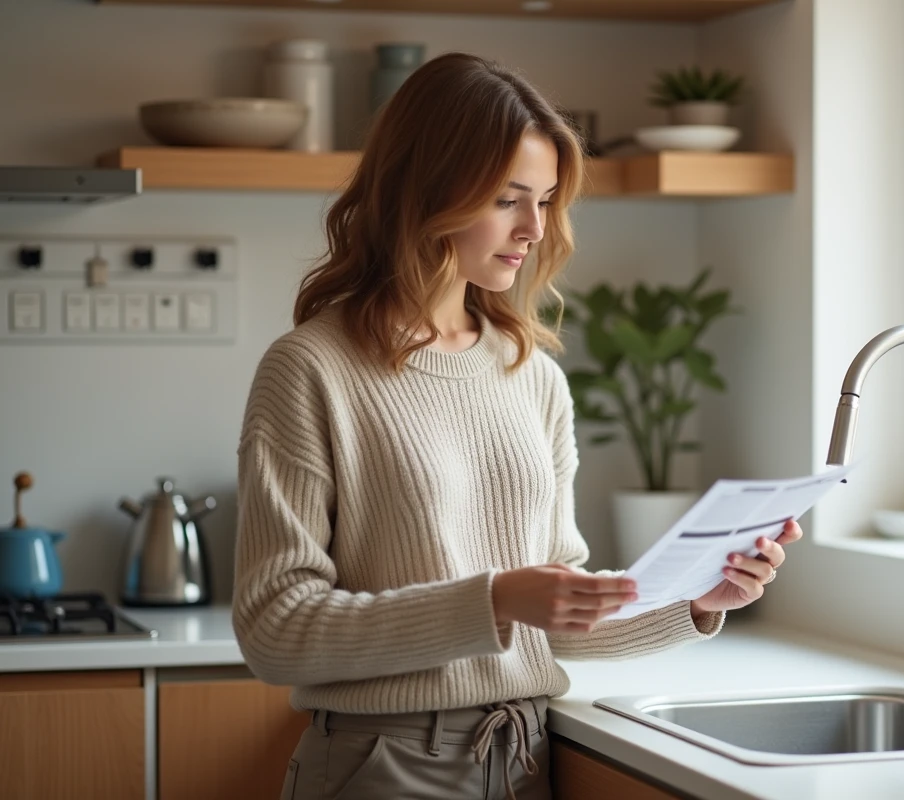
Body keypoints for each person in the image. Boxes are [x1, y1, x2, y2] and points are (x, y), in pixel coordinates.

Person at [232, 51, 802, 800]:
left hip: (524, 759)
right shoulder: (311, 369)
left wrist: (695, 600)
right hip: (387, 768)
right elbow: (274, 629)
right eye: (509, 198)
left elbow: (557, 614)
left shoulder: (531, 376)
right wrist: (493, 601)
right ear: (428, 190)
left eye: (546, 200)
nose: (535, 228)